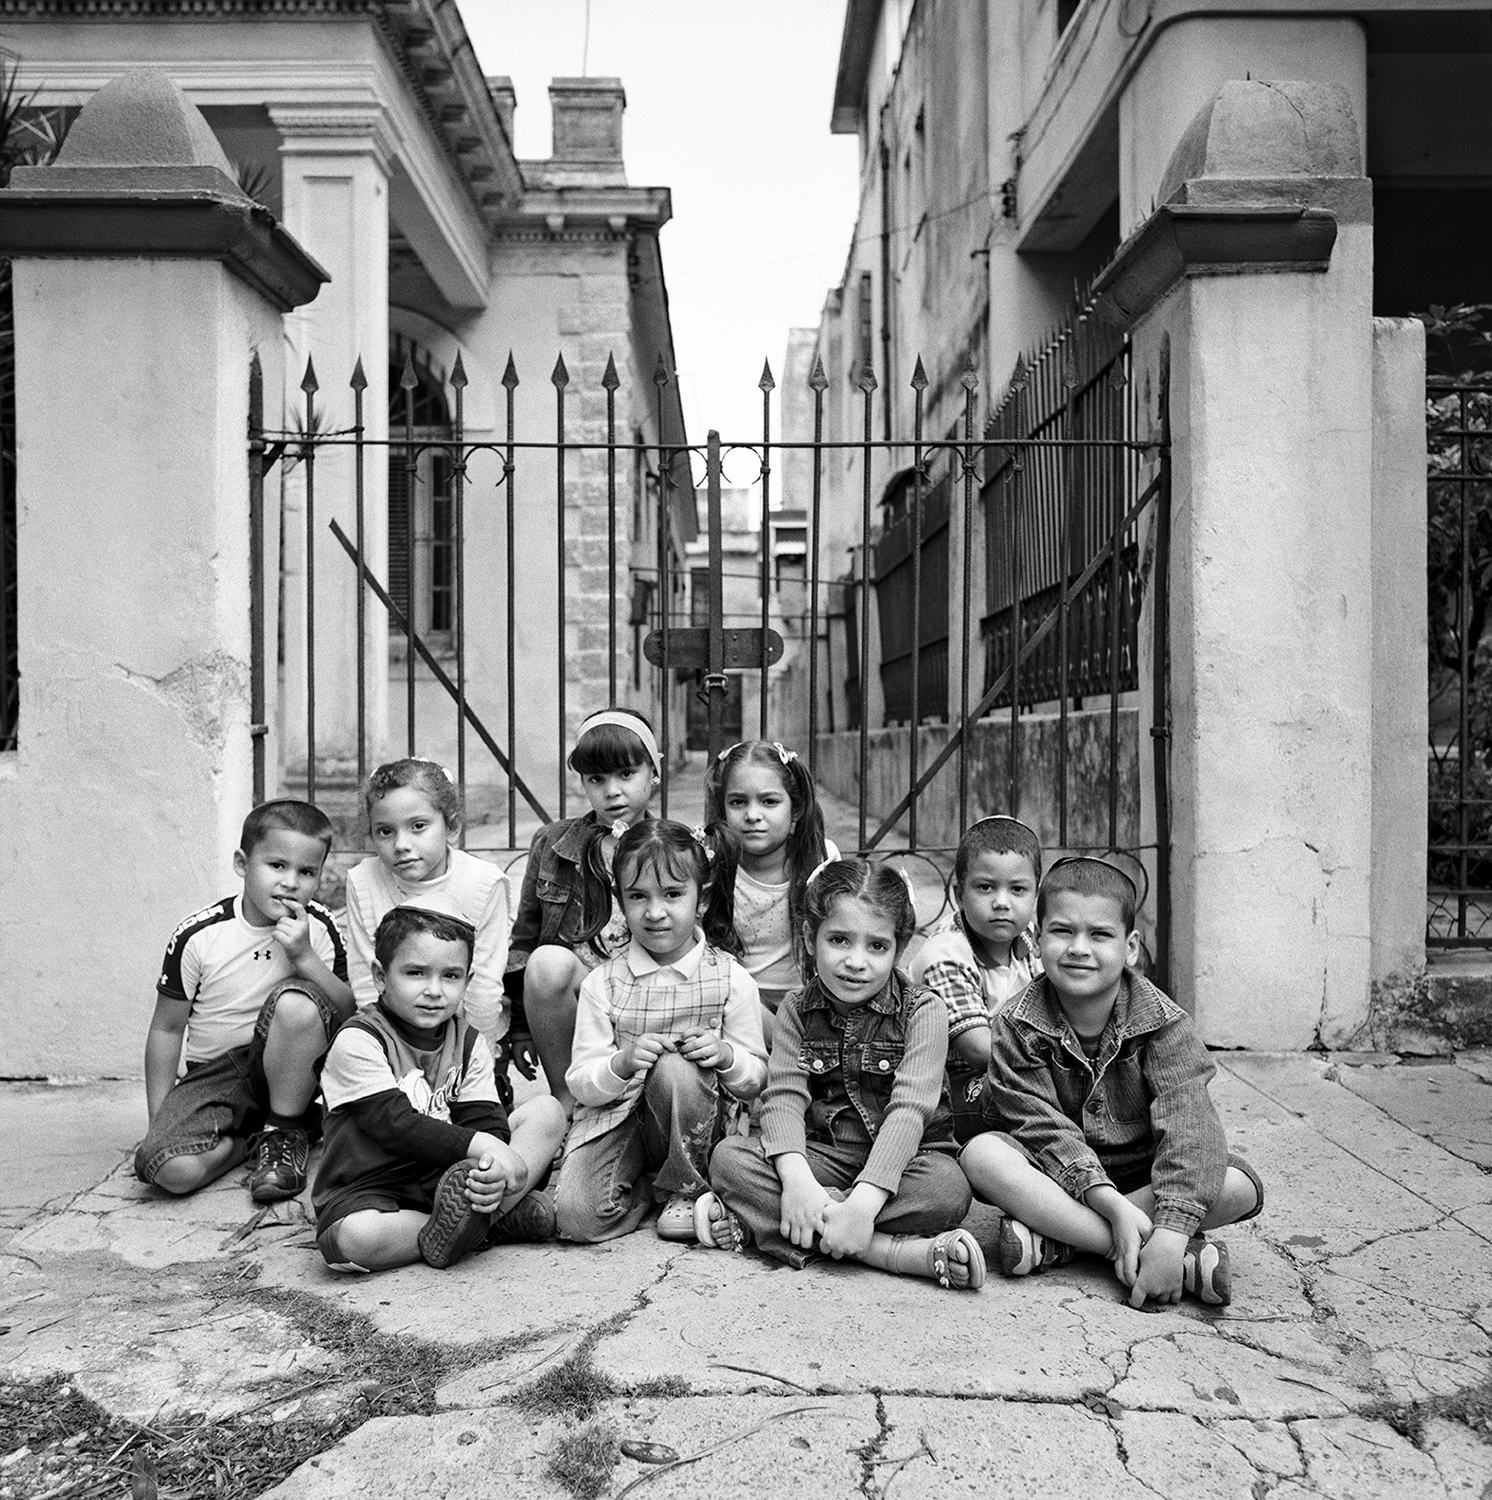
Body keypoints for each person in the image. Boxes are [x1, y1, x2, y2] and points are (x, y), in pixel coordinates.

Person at [960, 857, 1264, 1307]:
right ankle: (1122, 1246)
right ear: (1037, 937)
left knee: (1238, 1183)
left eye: (1100, 935)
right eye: (1062, 931)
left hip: (1147, 1175)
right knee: (982, 1155)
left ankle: (1062, 1240)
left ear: (1131, 947)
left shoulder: (1164, 1024)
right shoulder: (1016, 1024)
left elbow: (1190, 1127)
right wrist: (1116, 1209)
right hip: (1056, 1175)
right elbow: (1041, 1128)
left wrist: (1174, 1227)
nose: (1079, 948)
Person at [700, 858, 984, 1291]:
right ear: (810, 940)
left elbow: (910, 1112)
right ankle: (894, 1253)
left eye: (876, 946)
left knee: (949, 1189)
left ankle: (783, 1227)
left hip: (909, 1161)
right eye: (839, 940)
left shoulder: (924, 1010)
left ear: (899, 948)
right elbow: (784, 1099)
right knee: (729, 1159)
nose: (856, 961)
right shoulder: (797, 1008)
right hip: (824, 1159)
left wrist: (864, 1203)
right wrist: (798, 1184)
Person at [313, 905, 563, 1272]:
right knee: (354, 1239)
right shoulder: (358, 1039)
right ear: (381, 977)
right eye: (416, 973)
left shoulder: (467, 1038)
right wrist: (484, 1148)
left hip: (451, 1183)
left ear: (467, 980)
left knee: (548, 1113)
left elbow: (485, 1117)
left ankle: (474, 1219)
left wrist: (490, 1172)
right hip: (375, 1189)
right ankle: (489, 1224)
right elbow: (394, 1124)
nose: (434, 990)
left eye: (450, 976)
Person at [555, 820, 767, 1243]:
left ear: (700, 897)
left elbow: (756, 1079)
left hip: (700, 1127)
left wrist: (726, 1057)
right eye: (638, 897)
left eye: (672, 894)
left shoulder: (730, 978)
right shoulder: (604, 983)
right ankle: (650, 1191)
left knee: (674, 1068)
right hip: (620, 1122)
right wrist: (620, 1063)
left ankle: (686, 1190)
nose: (655, 912)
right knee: (577, 1218)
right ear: (620, 900)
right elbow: (581, 1083)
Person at [136, 800, 352, 1203]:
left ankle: (285, 1129)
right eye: (277, 866)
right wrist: (160, 1120)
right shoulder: (200, 935)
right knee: (165, 1168)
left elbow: (348, 1013)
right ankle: (251, 1142)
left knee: (297, 1003)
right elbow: (167, 1029)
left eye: (306, 872)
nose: (290, 882)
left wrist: (304, 958)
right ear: (242, 863)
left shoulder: (319, 928)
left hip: (290, 1071)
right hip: (217, 1074)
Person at [507, 707, 660, 1113]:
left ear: (654, 773)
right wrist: (521, 1027)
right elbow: (524, 939)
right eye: (597, 779)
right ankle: (568, 1103)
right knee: (546, 962)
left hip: (653, 996)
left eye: (626, 774)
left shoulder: (672, 848)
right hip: (583, 994)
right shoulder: (554, 844)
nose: (611, 791)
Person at [345, 758, 516, 1098]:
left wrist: (475, 1056)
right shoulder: (363, 881)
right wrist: (386, 1053)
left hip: (466, 1038)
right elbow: (367, 981)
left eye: (418, 826)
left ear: (451, 826)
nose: (401, 844)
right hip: (390, 1041)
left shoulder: (482, 884)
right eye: (385, 831)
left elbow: (483, 984)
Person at [909, 815, 1042, 1143]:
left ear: (1036, 894)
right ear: (958, 894)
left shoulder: (1033, 942)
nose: (1001, 902)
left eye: (1018, 889)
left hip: (1020, 1068)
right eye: (985, 887)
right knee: (1009, 1097)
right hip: (949, 1085)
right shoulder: (946, 954)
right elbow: (978, 1050)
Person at [705, 740, 836, 1040]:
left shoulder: (821, 860)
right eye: (738, 802)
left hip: (810, 1001)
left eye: (769, 801)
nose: (752, 815)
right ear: (722, 809)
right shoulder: (710, 866)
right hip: (737, 1005)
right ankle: (790, 1048)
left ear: (797, 808)